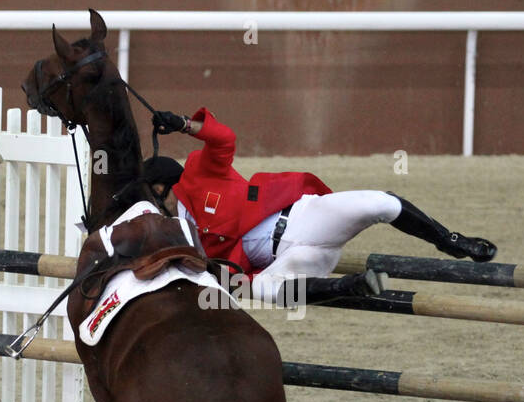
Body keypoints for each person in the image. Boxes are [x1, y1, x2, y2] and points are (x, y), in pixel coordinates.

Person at [141, 106, 497, 307]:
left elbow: (225, 138)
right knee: (260, 292)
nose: (157, 209)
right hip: (289, 262)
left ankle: (450, 240)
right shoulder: (176, 233)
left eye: (155, 198)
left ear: (163, 188)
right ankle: (350, 287)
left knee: (380, 203)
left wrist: (185, 125)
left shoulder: (199, 171)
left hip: (301, 218)